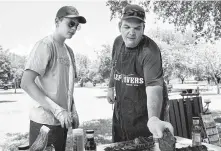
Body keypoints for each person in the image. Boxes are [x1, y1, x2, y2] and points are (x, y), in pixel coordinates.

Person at [21, 6, 86, 151]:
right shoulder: (45, 46)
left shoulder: (70, 52)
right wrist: (57, 110)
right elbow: (26, 83)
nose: (74, 28)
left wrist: (73, 111)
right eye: (70, 23)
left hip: (62, 123)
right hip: (44, 124)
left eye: (77, 25)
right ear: (57, 21)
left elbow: (67, 88)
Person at [107, 4, 173, 142]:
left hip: (145, 116)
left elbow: (154, 87)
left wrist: (154, 118)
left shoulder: (150, 51)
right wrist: (110, 87)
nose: (131, 32)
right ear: (120, 27)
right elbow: (114, 65)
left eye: (137, 28)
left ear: (143, 29)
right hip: (122, 110)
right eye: (127, 27)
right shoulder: (117, 42)